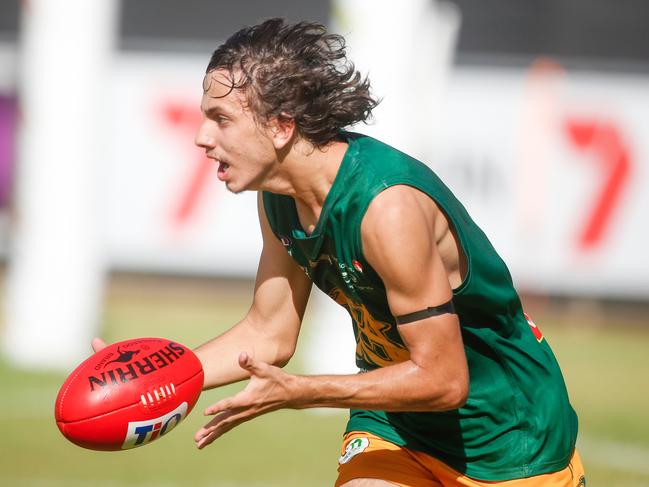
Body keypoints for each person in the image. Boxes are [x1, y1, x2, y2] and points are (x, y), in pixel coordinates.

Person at [103, 18, 585, 486]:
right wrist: (158, 377)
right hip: (396, 422)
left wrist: (303, 392)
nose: (201, 137)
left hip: (509, 442)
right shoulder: (280, 197)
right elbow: (268, 333)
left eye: (221, 119)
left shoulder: (385, 208)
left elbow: (444, 379)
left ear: (280, 126)